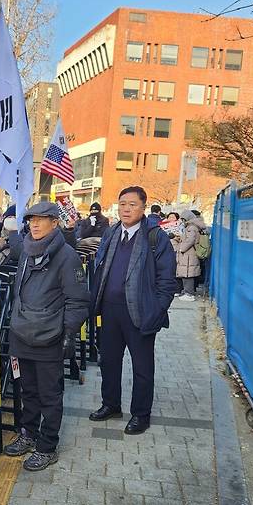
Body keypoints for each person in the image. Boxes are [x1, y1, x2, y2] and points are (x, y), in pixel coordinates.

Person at [3, 202, 89, 471]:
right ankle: (28, 434)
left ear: (55, 223)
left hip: (50, 336)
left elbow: (78, 301)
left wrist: (68, 335)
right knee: (27, 389)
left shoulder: (67, 256)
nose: (35, 225)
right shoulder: (27, 250)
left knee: (50, 394)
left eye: (42, 220)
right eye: (31, 220)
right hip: (22, 332)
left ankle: (47, 445)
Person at [89, 186, 176, 435]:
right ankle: (111, 404)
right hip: (110, 310)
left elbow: (167, 280)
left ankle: (141, 414)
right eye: (122, 203)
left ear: (143, 207)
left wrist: (157, 309)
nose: (126, 209)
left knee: (142, 367)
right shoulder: (112, 232)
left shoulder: (155, 237)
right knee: (109, 361)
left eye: (132, 204)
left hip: (140, 312)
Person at [175, 209, 207, 301]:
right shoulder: (192, 226)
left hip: (189, 254)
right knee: (185, 273)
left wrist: (181, 248)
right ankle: (186, 292)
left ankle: (189, 293)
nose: (182, 220)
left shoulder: (191, 227)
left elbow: (190, 240)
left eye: (183, 219)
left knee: (188, 273)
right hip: (189, 253)